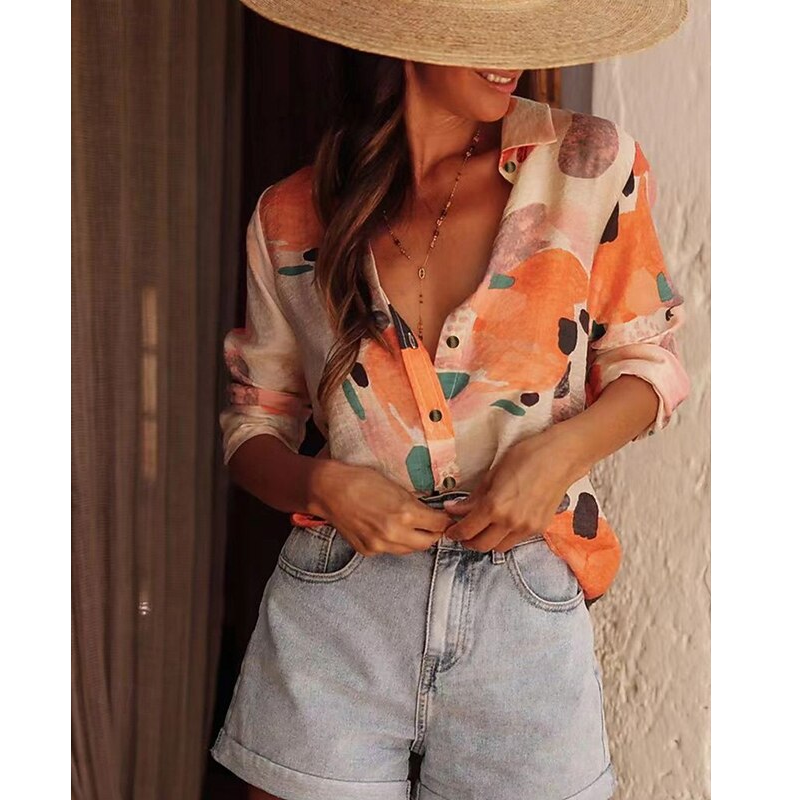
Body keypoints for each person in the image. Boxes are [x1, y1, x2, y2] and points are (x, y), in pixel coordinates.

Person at [211, 2, 692, 799]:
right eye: (483, 26)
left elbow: (650, 366)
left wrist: (556, 455)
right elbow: (252, 428)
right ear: (408, 28)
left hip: (522, 610)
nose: (512, 56)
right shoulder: (289, 216)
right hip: (339, 609)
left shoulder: (590, 163)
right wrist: (324, 484)